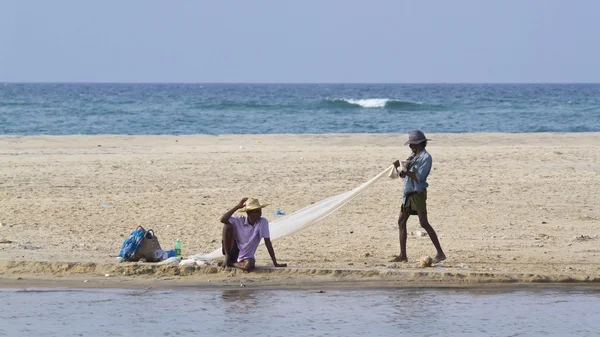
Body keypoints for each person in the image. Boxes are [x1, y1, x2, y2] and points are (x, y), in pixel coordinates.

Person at [391, 130, 446, 264]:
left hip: (417, 194)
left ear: (421, 144)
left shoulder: (426, 158)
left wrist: (406, 170)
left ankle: (440, 253)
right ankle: (403, 255)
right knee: (401, 221)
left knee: (423, 223)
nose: (411, 147)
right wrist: (399, 168)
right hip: (408, 194)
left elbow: (419, 177)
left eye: (413, 144)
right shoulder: (413, 155)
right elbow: (404, 176)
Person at [219, 197, 287, 271]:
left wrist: (275, 263)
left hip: (247, 256)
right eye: (256, 211)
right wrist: (237, 207)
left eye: (260, 210)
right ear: (249, 213)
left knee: (248, 266)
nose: (260, 213)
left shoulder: (262, 222)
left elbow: (267, 242)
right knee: (227, 226)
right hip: (234, 251)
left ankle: (231, 263)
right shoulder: (240, 220)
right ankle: (227, 258)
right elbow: (223, 219)